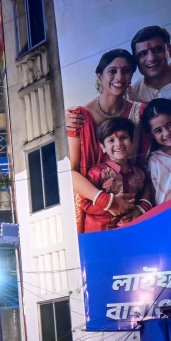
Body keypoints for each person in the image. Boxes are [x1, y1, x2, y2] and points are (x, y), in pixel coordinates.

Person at [67, 49, 149, 233]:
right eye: (112, 71)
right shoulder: (79, 117)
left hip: (136, 211)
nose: (119, 76)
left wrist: (140, 209)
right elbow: (70, 172)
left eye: (126, 71)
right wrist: (108, 201)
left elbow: (149, 165)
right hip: (96, 215)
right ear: (99, 76)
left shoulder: (141, 113)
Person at [128, 26, 171, 107]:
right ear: (135, 60)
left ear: (170, 50)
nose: (151, 58)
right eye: (143, 53)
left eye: (157, 50)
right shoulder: (131, 95)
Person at [142, 98, 171, 203]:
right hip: (166, 213)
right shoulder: (154, 159)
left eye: (170, 125)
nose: (166, 133)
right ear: (151, 135)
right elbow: (154, 194)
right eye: (158, 131)